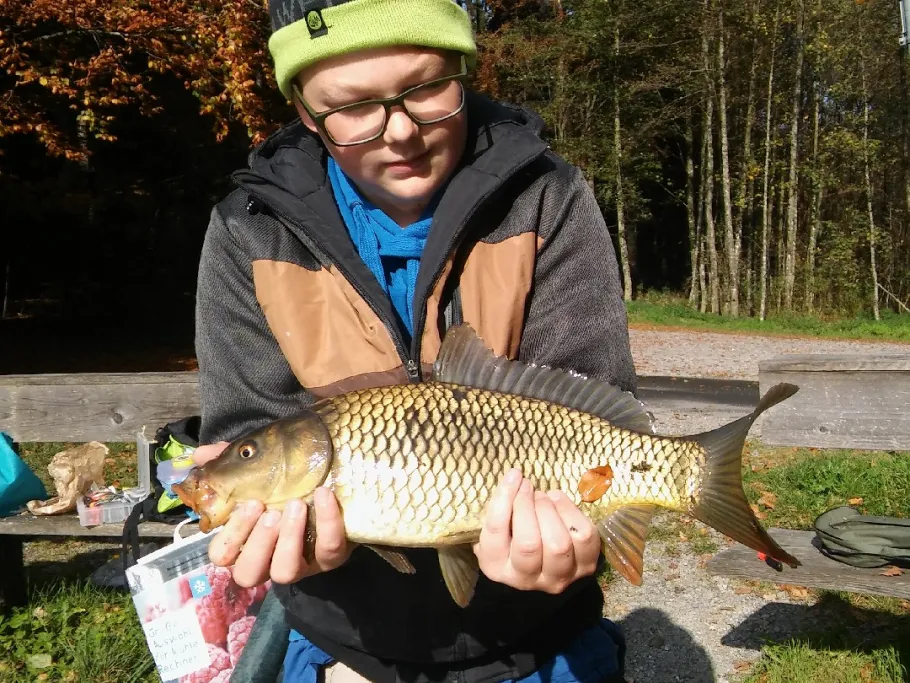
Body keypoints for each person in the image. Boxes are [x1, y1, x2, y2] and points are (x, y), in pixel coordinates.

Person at [191, 0, 639, 680]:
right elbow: (253, 425)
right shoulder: (248, 230)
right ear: (306, 113)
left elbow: (596, 416)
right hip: (346, 637)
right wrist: (281, 529)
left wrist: (581, 536)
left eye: (427, 88)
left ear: (464, 67)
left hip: (538, 633)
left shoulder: (549, 196)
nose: (398, 131)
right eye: (352, 106)